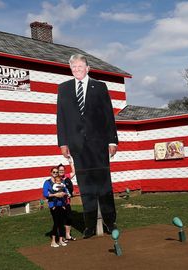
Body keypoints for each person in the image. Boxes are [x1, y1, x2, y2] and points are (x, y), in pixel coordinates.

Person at [56, 54, 118, 238]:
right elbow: (61, 118)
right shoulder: (64, 89)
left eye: (80, 66)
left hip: (99, 145)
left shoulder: (99, 87)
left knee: (104, 185)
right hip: (77, 146)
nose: (77, 70)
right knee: (86, 187)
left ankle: (110, 222)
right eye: (73, 67)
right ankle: (89, 226)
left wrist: (112, 141)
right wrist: (63, 143)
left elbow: (108, 115)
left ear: (88, 68)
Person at [43, 167, 69, 248]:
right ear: (51, 173)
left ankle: (61, 240)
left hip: (61, 204)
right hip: (53, 205)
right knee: (56, 222)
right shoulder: (47, 182)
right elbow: (45, 194)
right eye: (54, 172)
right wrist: (55, 195)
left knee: (62, 222)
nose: (55, 173)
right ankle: (53, 241)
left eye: (57, 172)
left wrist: (64, 194)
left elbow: (65, 190)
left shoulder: (61, 181)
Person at [58, 161, 76, 241]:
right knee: (61, 219)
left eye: (62, 170)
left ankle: (68, 235)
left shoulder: (66, 177)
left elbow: (74, 172)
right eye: (60, 170)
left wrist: (71, 162)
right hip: (59, 203)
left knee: (69, 218)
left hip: (67, 202)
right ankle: (62, 237)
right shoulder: (56, 179)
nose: (61, 171)